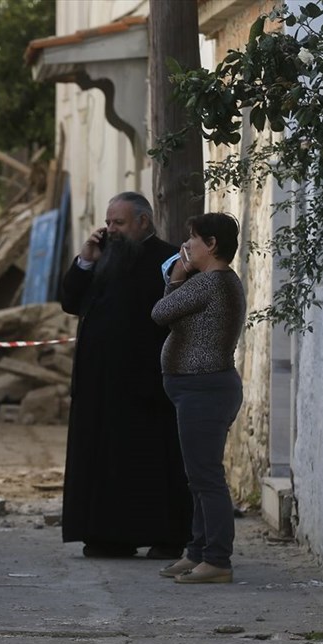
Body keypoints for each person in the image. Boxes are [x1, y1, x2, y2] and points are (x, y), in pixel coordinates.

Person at [59, 192, 193, 559]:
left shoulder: (168, 259)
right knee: (104, 461)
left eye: (118, 223)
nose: (110, 229)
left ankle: (167, 537)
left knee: (151, 462)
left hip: (147, 384)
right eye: (108, 222)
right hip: (99, 386)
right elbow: (70, 301)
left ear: (143, 222)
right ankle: (109, 536)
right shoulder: (103, 257)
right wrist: (85, 261)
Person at [151, 212, 246, 584]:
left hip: (205, 388)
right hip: (199, 387)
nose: (186, 246)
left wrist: (175, 278)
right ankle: (197, 551)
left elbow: (160, 313)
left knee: (206, 477)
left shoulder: (211, 283)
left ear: (212, 245)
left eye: (193, 238)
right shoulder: (212, 282)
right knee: (198, 476)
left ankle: (217, 559)